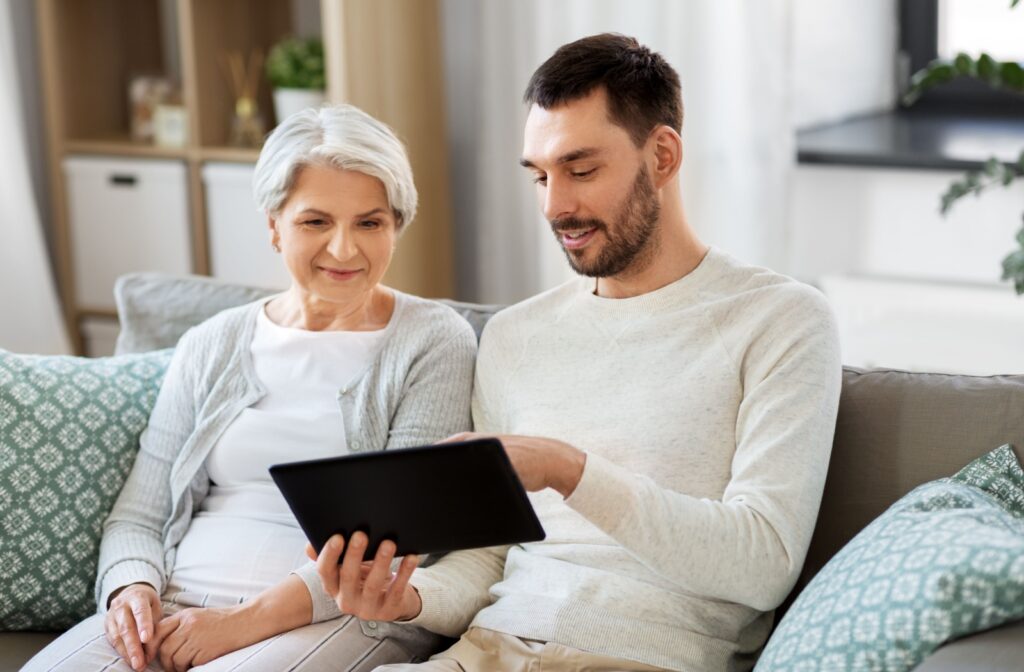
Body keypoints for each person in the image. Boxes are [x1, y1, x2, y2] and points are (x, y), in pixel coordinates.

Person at [311, 34, 843, 672]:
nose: (555, 205)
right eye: (540, 175)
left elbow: (762, 566)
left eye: (580, 170)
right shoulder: (515, 335)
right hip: (482, 653)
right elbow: (490, 559)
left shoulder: (780, 320)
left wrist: (565, 468)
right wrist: (406, 599)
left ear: (663, 155)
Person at [24, 104, 477, 672]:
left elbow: (397, 538)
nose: (344, 249)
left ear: (397, 226)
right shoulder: (210, 343)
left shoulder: (433, 341)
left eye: (370, 222)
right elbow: (139, 515)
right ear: (273, 225)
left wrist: (238, 626)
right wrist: (130, 593)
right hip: (177, 602)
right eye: (316, 222)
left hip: (340, 615)